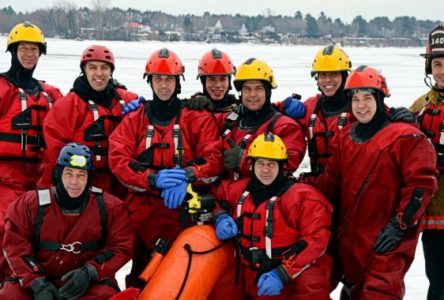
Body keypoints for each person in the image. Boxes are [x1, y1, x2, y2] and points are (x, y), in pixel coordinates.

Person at [303, 65, 438, 299]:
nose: (361, 105)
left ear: (380, 98)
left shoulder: (407, 137)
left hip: (388, 239)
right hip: (351, 238)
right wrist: (297, 185)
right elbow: (330, 182)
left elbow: (421, 185)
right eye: (355, 99)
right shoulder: (345, 137)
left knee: (380, 292)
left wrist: (399, 226)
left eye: (367, 98)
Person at [108, 47, 223, 288]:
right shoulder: (135, 118)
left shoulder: (196, 117)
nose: (163, 85)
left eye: (169, 79)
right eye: (158, 79)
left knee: (182, 277)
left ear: (177, 82)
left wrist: (187, 175)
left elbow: (214, 159)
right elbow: (118, 158)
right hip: (141, 213)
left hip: (183, 213)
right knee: (140, 276)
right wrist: (152, 179)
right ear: (150, 82)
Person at [0, 143, 134, 299]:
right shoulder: (29, 204)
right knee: (10, 295)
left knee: (106, 294)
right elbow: (15, 247)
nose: (74, 182)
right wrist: (37, 284)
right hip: (36, 282)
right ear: (58, 174)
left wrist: (90, 272)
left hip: (84, 285)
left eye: (81, 175)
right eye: (69, 173)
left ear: (89, 177)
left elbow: (121, 246)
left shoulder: (111, 208)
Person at [211, 133, 332, 299]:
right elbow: (212, 196)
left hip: (291, 277)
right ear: (252, 165)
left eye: (271, 164)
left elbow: (318, 238)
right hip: (252, 275)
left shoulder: (302, 197)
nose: (266, 170)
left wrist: (282, 274)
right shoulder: (238, 191)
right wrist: (219, 216)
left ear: (281, 166)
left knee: (311, 280)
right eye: (260, 163)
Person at [0, 21, 63, 282]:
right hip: (5, 176)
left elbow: (77, 108)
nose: (28, 54)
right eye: (23, 48)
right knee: (6, 230)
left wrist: (119, 93)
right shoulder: (3, 89)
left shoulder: (49, 94)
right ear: (13, 51)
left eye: (34, 49)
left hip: (39, 179)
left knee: (36, 235)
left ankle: (23, 283)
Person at [40, 45, 139, 199]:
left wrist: (142, 109)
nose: (99, 73)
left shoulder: (127, 100)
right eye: (93, 67)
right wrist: (52, 194)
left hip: (119, 182)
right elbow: (53, 155)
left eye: (104, 68)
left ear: (111, 72)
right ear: (84, 70)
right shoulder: (68, 105)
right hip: (82, 182)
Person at [221, 57, 306, 180]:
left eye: (258, 88)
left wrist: (243, 160)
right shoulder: (232, 121)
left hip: (262, 196)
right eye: (247, 89)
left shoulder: (284, 126)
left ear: (268, 92)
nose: (252, 94)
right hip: (230, 193)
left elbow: (287, 165)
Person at [188, 48, 306, 132]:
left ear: (229, 81)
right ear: (203, 82)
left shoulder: (237, 105)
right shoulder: (194, 106)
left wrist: (284, 105)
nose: (218, 85)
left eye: (223, 79)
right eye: (212, 79)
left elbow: (262, 108)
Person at [409, 23, 444, 300]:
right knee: (439, 282)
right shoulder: (419, 107)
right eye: (437, 63)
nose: (442, 70)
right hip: (434, 214)